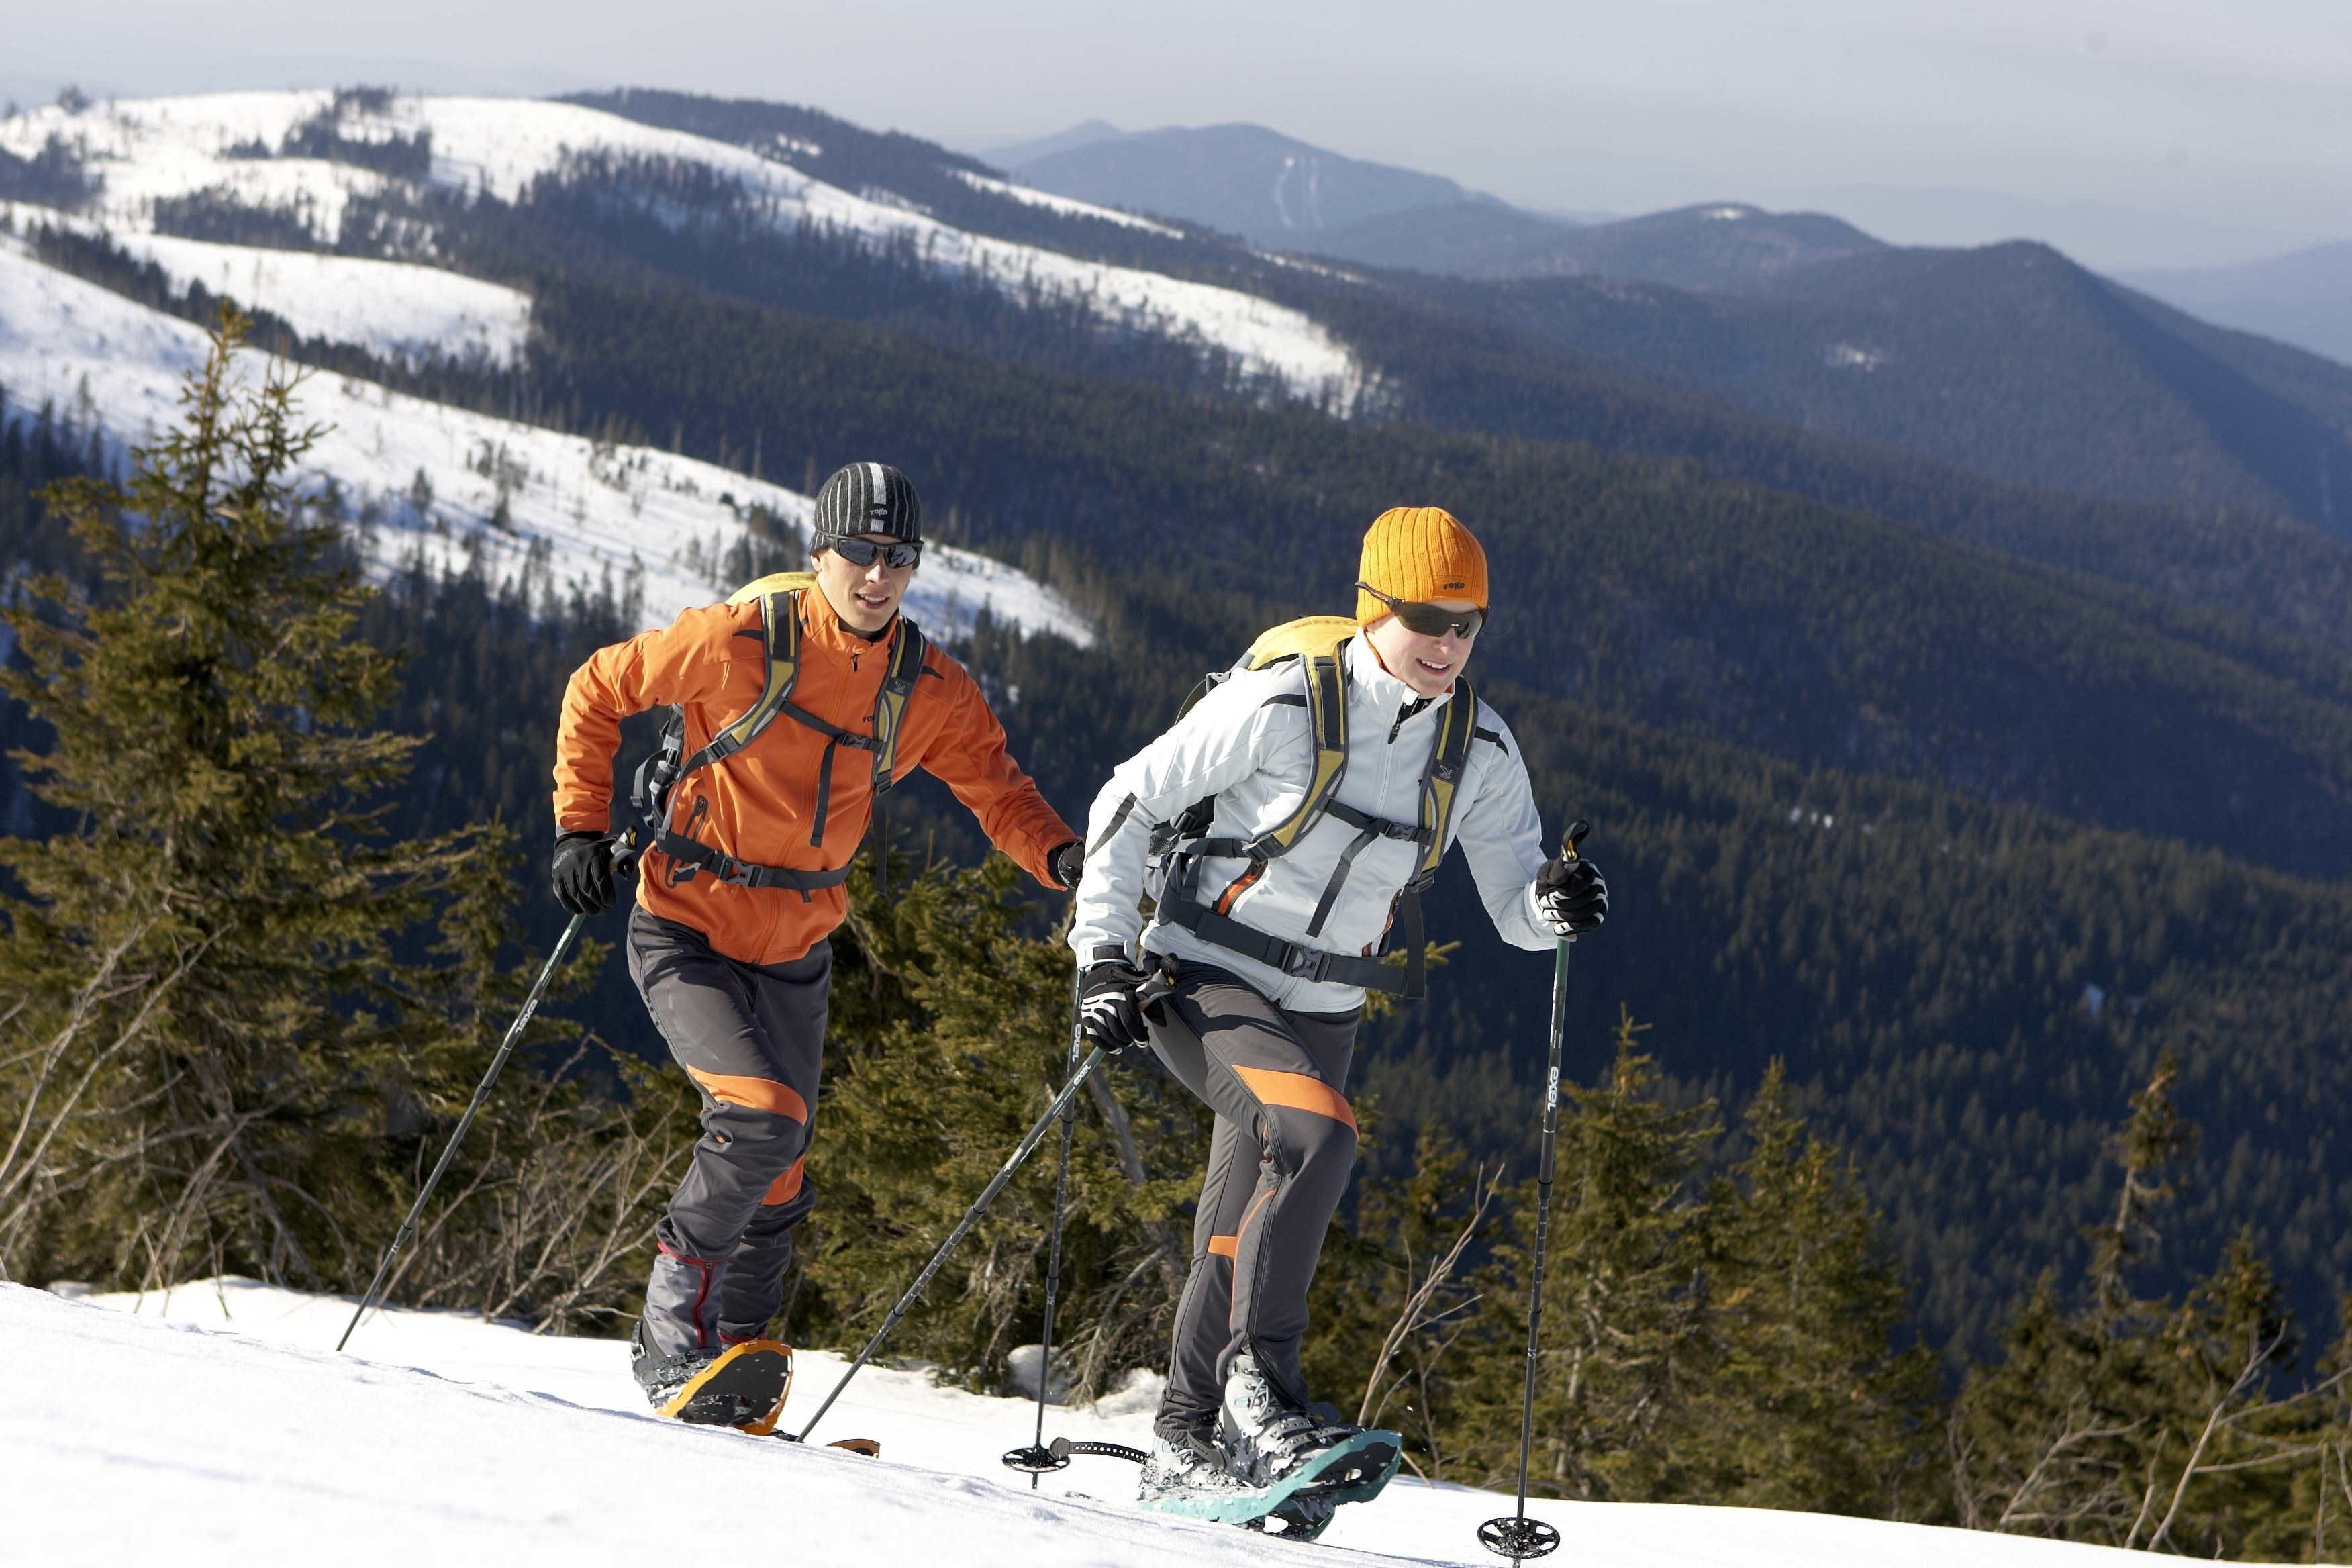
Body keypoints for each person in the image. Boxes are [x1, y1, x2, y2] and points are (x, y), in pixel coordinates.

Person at [1067, 505, 1608, 1508]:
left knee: (1239, 1218)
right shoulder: (1282, 704)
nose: (1449, 644)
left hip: (1325, 1004)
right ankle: (1260, 1393)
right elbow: (1127, 802)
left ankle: (1185, 1440)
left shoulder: (1478, 750)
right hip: (1202, 974)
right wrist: (1100, 955)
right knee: (1316, 1139)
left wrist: (1555, 904)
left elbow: (1514, 907)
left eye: (1469, 624)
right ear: (1372, 608)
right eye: (1427, 619)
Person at [550, 461, 1083, 1424]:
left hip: (796, 950)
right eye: (859, 554)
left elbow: (998, 791)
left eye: (899, 558)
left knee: (783, 1170)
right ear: (818, 552)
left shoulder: (926, 688)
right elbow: (598, 687)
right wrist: (580, 826)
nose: (878, 576)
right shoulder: (739, 641)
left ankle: (740, 1373)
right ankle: (672, 1344)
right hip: (686, 929)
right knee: (760, 1117)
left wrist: (1063, 860)